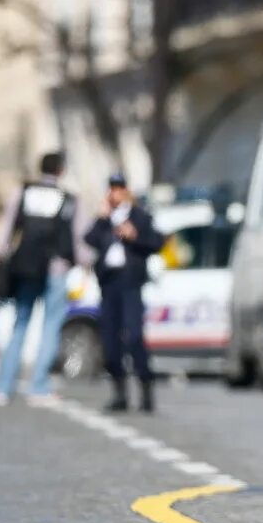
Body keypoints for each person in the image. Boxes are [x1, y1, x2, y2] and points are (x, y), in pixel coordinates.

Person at [0, 151, 82, 408]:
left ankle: (3, 386)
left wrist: (0, 266)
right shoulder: (68, 199)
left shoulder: (23, 192)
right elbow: (78, 240)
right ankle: (38, 385)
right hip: (56, 268)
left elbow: (5, 234)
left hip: (26, 267)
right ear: (61, 170)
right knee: (51, 326)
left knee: (20, 324)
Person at [85, 173, 165, 413]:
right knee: (110, 339)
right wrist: (101, 219)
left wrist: (135, 236)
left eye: (120, 188)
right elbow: (89, 239)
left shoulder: (140, 217)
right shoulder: (105, 219)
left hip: (131, 282)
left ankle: (146, 389)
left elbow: (157, 242)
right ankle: (119, 392)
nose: (116, 193)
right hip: (109, 283)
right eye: (112, 188)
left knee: (134, 336)